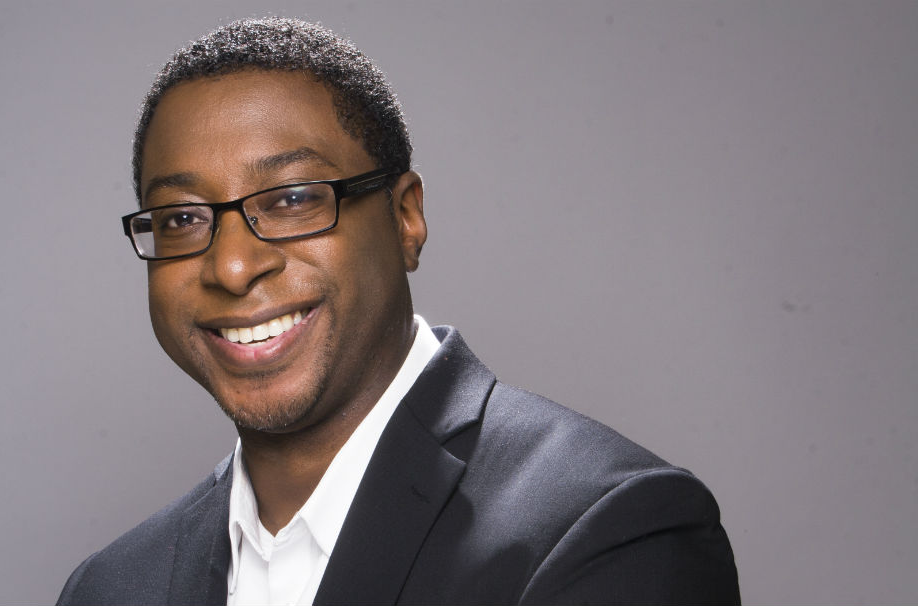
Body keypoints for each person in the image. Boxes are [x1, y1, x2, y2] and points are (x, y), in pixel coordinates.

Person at [57, 17, 739, 605]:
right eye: (181, 218)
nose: (233, 267)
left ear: (406, 217)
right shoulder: (111, 588)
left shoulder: (607, 529)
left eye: (292, 199)